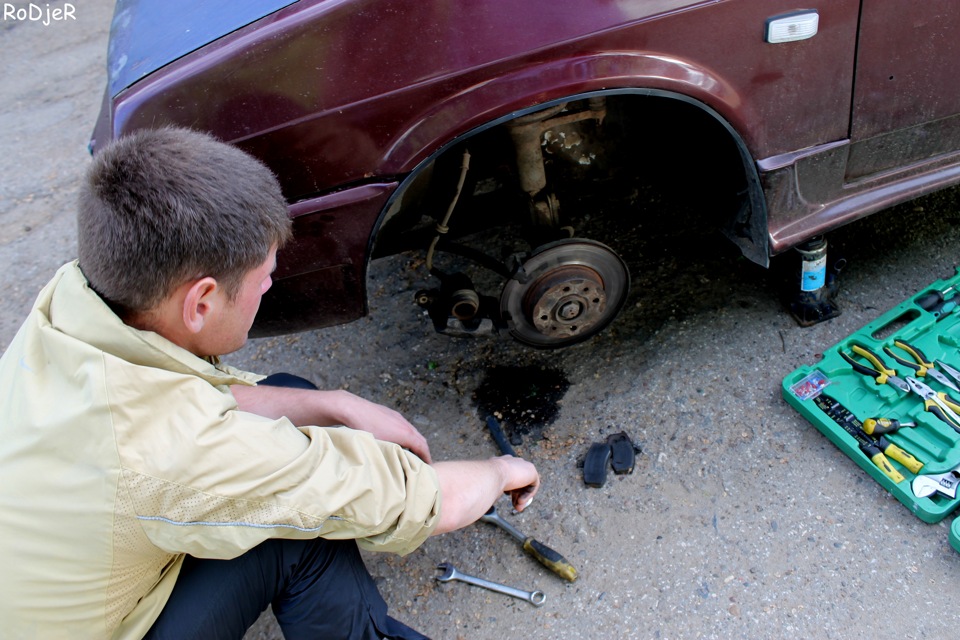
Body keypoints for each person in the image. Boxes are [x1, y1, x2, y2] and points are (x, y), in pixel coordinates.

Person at [0, 127, 540, 640]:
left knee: (289, 394)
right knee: (297, 531)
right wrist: (501, 470)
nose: (268, 288)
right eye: (264, 279)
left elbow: (186, 397)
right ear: (200, 302)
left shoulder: (65, 306)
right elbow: (424, 500)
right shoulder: (173, 446)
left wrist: (335, 403)